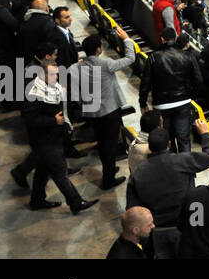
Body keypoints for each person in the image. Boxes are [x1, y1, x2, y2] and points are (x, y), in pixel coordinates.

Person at [18, 41, 98, 214]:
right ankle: (76, 202)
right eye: (53, 76)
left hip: (53, 138)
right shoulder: (33, 93)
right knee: (60, 174)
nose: (56, 79)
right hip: (44, 140)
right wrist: (53, 121)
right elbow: (30, 119)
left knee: (42, 170)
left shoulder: (50, 87)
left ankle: (37, 200)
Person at [73, 29, 135, 189]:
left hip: (92, 112)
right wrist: (127, 40)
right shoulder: (106, 64)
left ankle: (109, 166)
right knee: (110, 145)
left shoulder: (78, 67)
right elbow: (130, 58)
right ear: (98, 49)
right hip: (109, 112)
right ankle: (108, 179)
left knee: (102, 143)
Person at [126, 119, 209, 228]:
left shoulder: (137, 173)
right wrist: (205, 134)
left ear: (149, 146)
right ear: (169, 144)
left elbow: (132, 208)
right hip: (188, 221)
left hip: (157, 227)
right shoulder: (182, 160)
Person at [138, 25, 202, 153]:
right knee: (184, 138)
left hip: (161, 105)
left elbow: (145, 83)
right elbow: (198, 80)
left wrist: (143, 102)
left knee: (167, 139)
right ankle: (186, 170)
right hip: (183, 103)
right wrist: (191, 96)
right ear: (175, 38)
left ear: (162, 39)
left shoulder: (153, 57)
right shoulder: (187, 56)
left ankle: (171, 168)